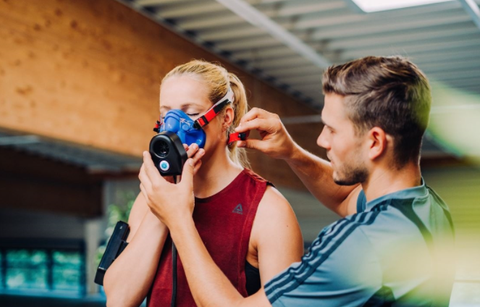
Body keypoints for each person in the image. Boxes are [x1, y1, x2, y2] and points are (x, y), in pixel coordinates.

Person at [139, 56, 456, 307]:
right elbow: (346, 199)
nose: (322, 140)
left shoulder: (359, 245)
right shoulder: (425, 208)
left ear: (374, 142)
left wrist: (179, 219)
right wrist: (293, 153)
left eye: (332, 130)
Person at [103, 60, 304, 307]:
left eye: (190, 112)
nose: (173, 126)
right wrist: (162, 212)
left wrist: (178, 218)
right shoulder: (152, 196)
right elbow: (119, 300)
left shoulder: (268, 209)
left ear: (225, 118)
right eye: (166, 114)